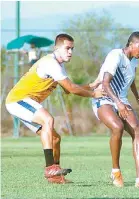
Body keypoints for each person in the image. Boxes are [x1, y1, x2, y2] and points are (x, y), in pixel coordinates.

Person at [5, 33, 106, 184]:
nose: (70, 52)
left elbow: (68, 89)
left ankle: (55, 176)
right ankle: (50, 168)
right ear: (56, 48)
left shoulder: (59, 65)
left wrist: (92, 85)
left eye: (72, 48)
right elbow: (71, 89)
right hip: (17, 100)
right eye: (67, 48)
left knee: (55, 138)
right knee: (48, 119)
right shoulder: (50, 63)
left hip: (26, 103)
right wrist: (94, 94)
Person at [91, 31, 139, 188]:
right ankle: (116, 172)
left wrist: (138, 97)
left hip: (121, 99)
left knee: (137, 130)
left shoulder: (134, 62)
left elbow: (131, 80)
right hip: (103, 97)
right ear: (131, 44)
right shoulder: (116, 56)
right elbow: (106, 83)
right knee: (117, 127)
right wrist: (118, 103)